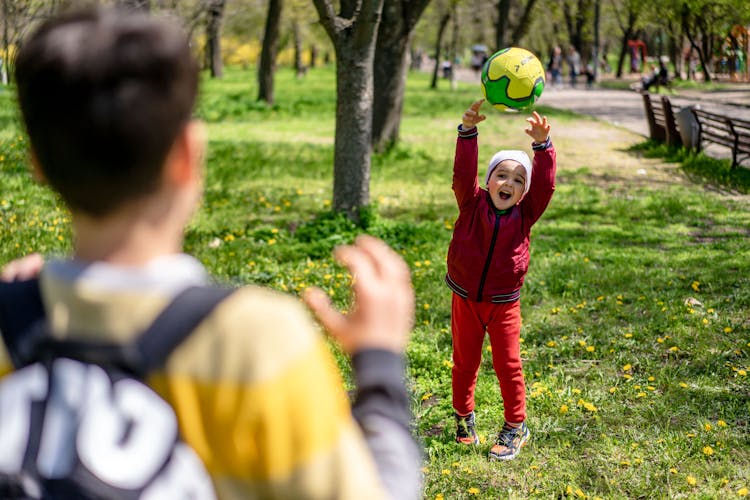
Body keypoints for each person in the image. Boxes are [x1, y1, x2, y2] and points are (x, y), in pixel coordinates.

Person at [3, 7, 421, 499]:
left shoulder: (10, 320)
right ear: (187, 155)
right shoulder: (254, 341)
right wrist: (378, 365)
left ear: (37, 165)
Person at [446, 99, 556, 461]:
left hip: (504, 304)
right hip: (465, 300)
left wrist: (542, 148)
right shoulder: (471, 203)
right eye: (502, 175)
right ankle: (464, 418)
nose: (509, 182)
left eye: (518, 179)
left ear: (525, 193)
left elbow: (545, 186)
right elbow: (463, 173)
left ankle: (515, 426)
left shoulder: (526, 214)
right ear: (489, 180)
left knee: (508, 364)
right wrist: (468, 133)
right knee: (465, 362)